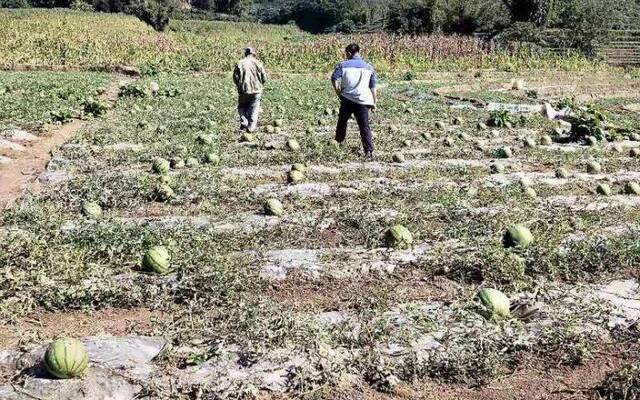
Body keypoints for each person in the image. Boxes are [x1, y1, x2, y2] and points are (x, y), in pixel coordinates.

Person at [331, 43, 378, 160]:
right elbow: (373, 87)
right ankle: (369, 151)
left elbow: (334, 78)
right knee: (364, 126)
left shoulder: (342, 65)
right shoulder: (369, 67)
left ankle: (338, 144)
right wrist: (374, 102)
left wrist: (338, 93)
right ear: (358, 52)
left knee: (342, 122)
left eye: (346, 53)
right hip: (363, 100)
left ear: (349, 53)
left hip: (347, 98)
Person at [233, 47, 267, 133]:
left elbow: (235, 77)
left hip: (243, 89)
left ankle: (244, 121)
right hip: (257, 90)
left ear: (245, 53)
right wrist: (260, 83)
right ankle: (251, 128)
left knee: (242, 106)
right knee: (254, 109)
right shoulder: (258, 63)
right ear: (253, 54)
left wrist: (239, 85)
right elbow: (264, 78)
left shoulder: (240, 63)